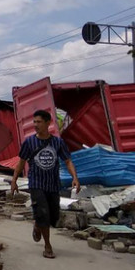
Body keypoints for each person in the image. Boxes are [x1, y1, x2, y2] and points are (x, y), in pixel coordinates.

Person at [10, 109, 80, 259]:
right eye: (34, 122)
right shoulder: (29, 142)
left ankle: (38, 224)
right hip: (36, 183)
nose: (36, 125)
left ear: (48, 123)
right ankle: (48, 245)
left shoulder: (57, 143)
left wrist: (75, 177)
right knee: (43, 213)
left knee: (53, 217)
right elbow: (21, 162)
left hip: (53, 184)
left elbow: (67, 161)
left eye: (39, 122)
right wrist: (14, 180)